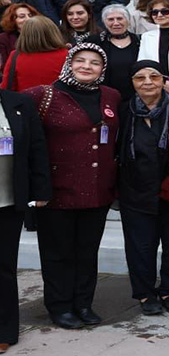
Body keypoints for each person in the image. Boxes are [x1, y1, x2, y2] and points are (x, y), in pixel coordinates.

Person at [25, 43, 120, 330]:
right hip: (56, 191)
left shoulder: (111, 96)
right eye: (80, 61)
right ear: (69, 63)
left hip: (98, 190)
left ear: (103, 68)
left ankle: (83, 303)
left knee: (87, 252)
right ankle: (60, 306)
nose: (87, 67)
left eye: (95, 62)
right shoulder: (41, 95)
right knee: (58, 254)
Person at [116, 59, 169, 317]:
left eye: (154, 77)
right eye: (140, 78)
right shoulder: (124, 110)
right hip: (135, 188)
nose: (147, 82)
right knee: (140, 246)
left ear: (164, 80)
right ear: (132, 83)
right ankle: (145, 293)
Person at [0, 82, 50, 351]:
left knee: (4, 268)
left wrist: (41, 189)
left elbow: (36, 148)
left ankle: (4, 330)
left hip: (7, 201)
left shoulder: (19, 103)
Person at [1, 16, 69, 91]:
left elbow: (7, 86)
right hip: (59, 101)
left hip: (24, 101)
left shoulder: (15, 56)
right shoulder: (65, 55)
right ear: (53, 32)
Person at [94, 5, 142, 102]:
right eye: (111, 19)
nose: (116, 23)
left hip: (136, 98)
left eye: (120, 18)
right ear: (104, 22)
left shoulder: (139, 41)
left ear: (128, 20)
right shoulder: (96, 41)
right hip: (104, 97)